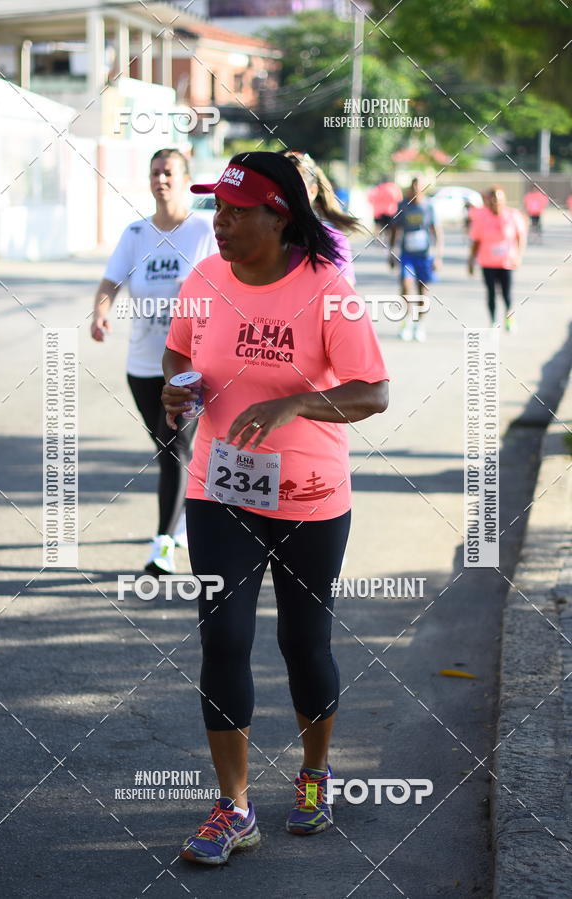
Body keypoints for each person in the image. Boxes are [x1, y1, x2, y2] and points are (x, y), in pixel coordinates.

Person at [161, 151, 389, 865]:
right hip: (219, 487)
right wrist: (180, 389)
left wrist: (296, 400)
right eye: (217, 209)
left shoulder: (329, 289)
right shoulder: (202, 278)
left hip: (310, 496)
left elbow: (373, 391)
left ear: (277, 215)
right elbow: (177, 356)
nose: (218, 223)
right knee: (223, 641)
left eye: (234, 212)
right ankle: (233, 806)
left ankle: (315, 773)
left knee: (303, 642)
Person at [90, 148, 217, 573]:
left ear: (185, 179)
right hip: (142, 364)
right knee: (168, 450)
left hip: (188, 364)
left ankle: (163, 543)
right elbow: (111, 280)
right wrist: (101, 312)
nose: (160, 180)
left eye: (168, 173)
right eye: (155, 173)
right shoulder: (136, 234)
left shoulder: (204, 231)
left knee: (175, 447)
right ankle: (184, 514)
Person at [281, 149, 361, 285]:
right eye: (280, 186)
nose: (286, 194)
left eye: (295, 188)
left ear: (312, 191)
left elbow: (342, 298)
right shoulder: (253, 236)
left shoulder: (333, 241)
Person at [388, 176, 443, 343]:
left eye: (418, 188)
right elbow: (395, 229)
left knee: (422, 291)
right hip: (407, 254)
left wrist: (438, 256)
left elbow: (437, 232)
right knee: (405, 285)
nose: (415, 191)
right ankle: (406, 323)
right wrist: (391, 252)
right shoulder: (403, 205)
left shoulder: (429, 207)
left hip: (424, 255)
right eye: (413, 187)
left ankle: (419, 325)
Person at [468, 185, 526, 331]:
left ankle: (509, 316)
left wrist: (519, 255)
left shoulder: (512, 215)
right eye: (493, 198)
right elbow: (475, 241)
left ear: (504, 200)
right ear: (489, 200)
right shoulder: (481, 217)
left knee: (506, 293)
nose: (495, 202)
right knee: (491, 293)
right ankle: (493, 322)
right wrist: (471, 260)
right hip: (487, 262)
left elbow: (520, 237)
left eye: (498, 198)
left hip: (506, 262)